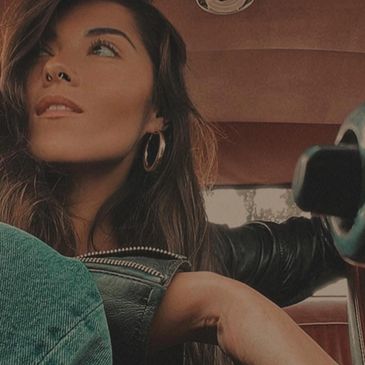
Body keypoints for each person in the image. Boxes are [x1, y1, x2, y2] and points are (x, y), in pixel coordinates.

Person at [0, 0, 345, 363]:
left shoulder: (202, 253)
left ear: (157, 112)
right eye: (41, 50)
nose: (54, 67)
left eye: (102, 48)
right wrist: (215, 303)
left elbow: (328, 243)